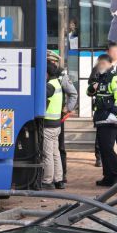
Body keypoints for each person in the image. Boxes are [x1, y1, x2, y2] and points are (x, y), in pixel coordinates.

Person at [87, 53, 117, 186]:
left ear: (109, 64)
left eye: (102, 63)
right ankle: (108, 177)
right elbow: (89, 92)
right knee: (103, 149)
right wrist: (92, 87)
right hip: (100, 117)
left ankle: (116, 175)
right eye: (99, 63)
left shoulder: (115, 78)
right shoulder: (100, 78)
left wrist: (114, 114)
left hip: (110, 118)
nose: (99, 65)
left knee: (108, 148)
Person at [90, 42, 117, 166]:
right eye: (113, 51)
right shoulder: (98, 68)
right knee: (102, 139)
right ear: (108, 52)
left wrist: (116, 113)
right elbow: (91, 83)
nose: (116, 53)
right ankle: (99, 158)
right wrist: (93, 86)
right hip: (102, 110)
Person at [47, 51, 77, 184]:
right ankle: (54, 176)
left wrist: (67, 109)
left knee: (59, 148)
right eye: (48, 61)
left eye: (51, 61)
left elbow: (73, 94)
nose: (50, 63)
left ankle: (61, 176)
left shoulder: (62, 76)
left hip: (57, 118)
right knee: (51, 150)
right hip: (49, 118)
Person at [43, 63, 65, 190]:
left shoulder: (49, 86)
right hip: (56, 124)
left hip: (49, 125)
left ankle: (47, 181)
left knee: (48, 154)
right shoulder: (57, 83)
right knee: (55, 153)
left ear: (46, 73)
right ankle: (58, 179)